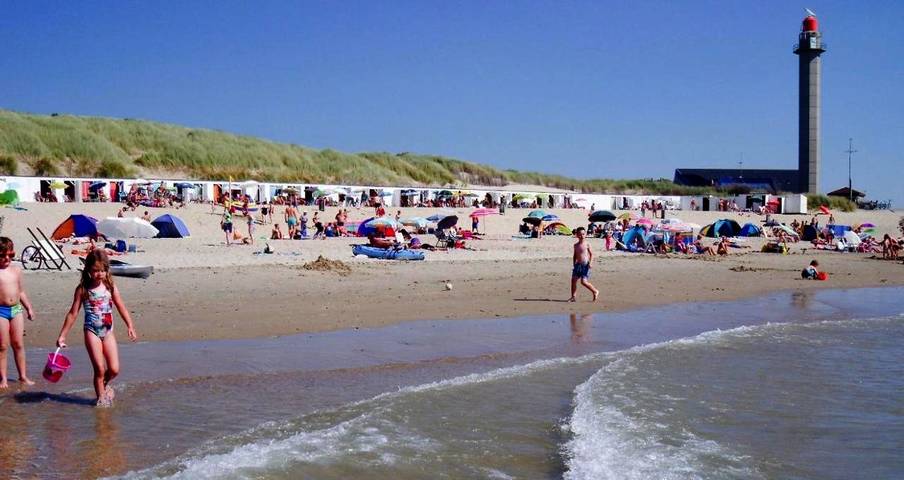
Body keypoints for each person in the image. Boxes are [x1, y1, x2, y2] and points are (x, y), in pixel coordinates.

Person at [56, 250, 137, 407]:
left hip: (108, 332)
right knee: (99, 369)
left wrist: (130, 326)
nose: (99, 274)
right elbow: (72, 314)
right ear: (88, 270)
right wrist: (62, 336)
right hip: (91, 331)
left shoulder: (110, 287)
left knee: (114, 369)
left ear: (107, 270)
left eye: (102, 270)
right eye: (95, 270)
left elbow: (121, 307)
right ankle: (101, 401)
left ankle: (104, 385)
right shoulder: (83, 289)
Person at [0, 238, 36, 388]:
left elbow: (21, 291)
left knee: (18, 344)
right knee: (2, 346)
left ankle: (23, 376)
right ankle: (3, 379)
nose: (7, 258)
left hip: (16, 310)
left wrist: (29, 308)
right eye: (2, 256)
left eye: (11, 255)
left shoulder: (16, 270)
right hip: (1, 311)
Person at [569, 228, 599, 302]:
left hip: (585, 265)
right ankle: (573, 297)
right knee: (573, 280)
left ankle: (595, 291)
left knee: (583, 282)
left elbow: (592, 254)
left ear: (585, 234)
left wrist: (591, 262)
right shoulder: (576, 245)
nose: (582, 236)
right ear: (577, 235)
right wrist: (574, 264)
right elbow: (575, 255)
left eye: (583, 234)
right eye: (580, 234)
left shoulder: (587, 244)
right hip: (577, 265)